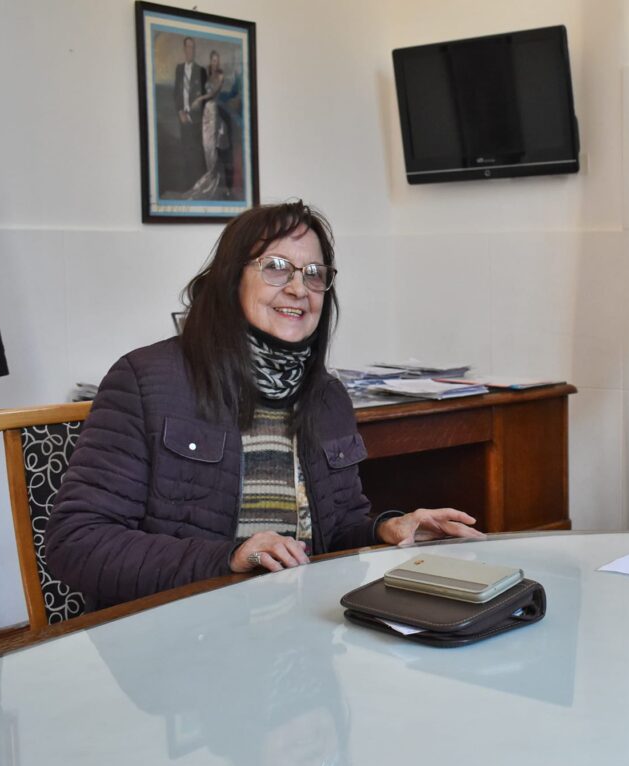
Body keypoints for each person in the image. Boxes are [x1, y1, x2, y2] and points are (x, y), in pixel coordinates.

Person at [47, 201, 483, 610]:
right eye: (276, 268)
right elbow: (78, 543)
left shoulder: (327, 395)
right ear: (231, 278)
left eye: (314, 273)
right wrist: (229, 557)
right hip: (178, 637)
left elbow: (336, 532)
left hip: (301, 633)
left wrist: (387, 527)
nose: (298, 288)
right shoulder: (145, 380)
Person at [184, 50, 231, 200]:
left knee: (211, 146)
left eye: (217, 60)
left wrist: (199, 99)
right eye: (213, 60)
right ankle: (211, 179)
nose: (215, 62)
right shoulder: (208, 74)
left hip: (213, 111)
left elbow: (212, 94)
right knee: (205, 145)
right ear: (211, 60)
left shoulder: (220, 75)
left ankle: (215, 183)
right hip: (206, 111)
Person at [173, 36, 207, 188]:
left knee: (197, 155)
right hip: (183, 118)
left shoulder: (201, 70)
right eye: (187, 47)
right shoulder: (179, 69)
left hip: (196, 120)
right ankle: (187, 187)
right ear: (184, 49)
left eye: (192, 48)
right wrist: (180, 112)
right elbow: (176, 93)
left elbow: (204, 98)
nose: (190, 51)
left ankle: (197, 188)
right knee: (185, 153)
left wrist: (193, 114)